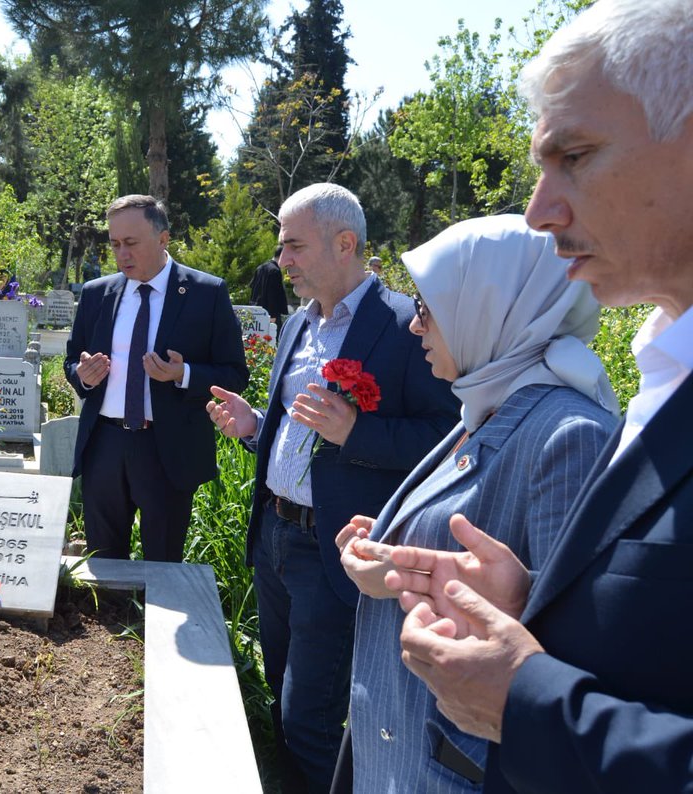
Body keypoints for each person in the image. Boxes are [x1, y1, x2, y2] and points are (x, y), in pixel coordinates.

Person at [386, 1, 693, 790]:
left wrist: (528, 700)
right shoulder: (664, 369)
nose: (538, 211)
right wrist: (530, 608)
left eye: (577, 155)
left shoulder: (569, 422)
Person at [334, 215, 617, 792]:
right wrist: (396, 539)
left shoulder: (569, 434)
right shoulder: (485, 403)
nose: (415, 326)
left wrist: (402, 577)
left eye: (427, 305)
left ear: (488, 305)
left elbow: (572, 640)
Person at [205, 183, 458, 792]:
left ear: (345, 244)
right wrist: (253, 428)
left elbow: (448, 436)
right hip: (274, 539)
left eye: (293, 246)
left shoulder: (404, 327)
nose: (281, 260)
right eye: (281, 247)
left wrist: (357, 433)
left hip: (334, 552)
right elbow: (300, 431)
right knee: (284, 694)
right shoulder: (297, 324)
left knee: (309, 720)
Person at [66, 194, 248, 562]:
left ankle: (155, 621)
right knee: (102, 563)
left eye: (131, 243)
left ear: (163, 238)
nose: (121, 254)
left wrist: (185, 374)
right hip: (104, 445)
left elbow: (235, 373)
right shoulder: (97, 293)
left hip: (167, 450)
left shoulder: (205, 293)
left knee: (163, 565)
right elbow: (73, 360)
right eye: (115, 244)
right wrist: (83, 376)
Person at [250, 246, 288, 329]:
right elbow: (273, 294)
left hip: (256, 310)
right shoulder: (275, 271)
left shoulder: (260, 268)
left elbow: (253, 287)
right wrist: (273, 315)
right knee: (274, 339)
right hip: (270, 313)